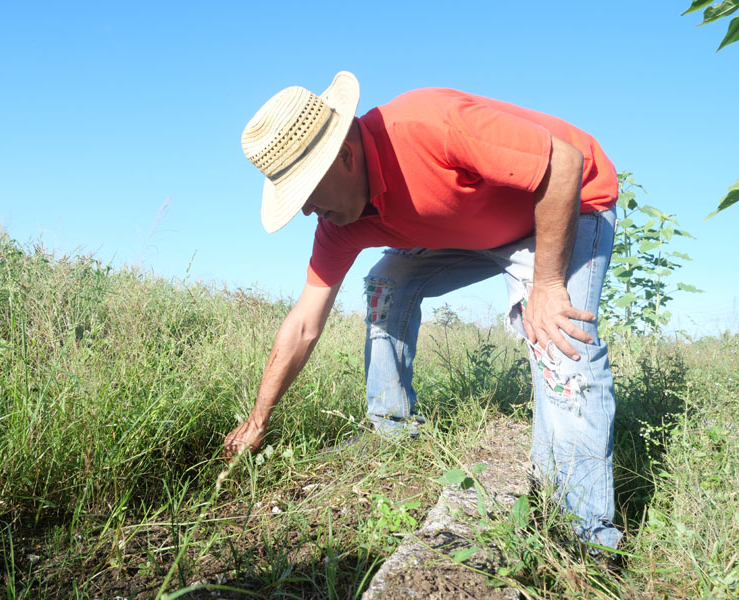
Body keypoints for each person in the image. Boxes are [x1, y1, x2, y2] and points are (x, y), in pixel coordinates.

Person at [225, 71, 621, 549]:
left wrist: (549, 285)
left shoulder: (426, 126)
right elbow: (305, 323)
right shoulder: (340, 221)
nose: (306, 210)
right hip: (473, 230)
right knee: (385, 283)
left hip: (565, 202)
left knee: (556, 333)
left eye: (305, 192)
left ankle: (584, 536)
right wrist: (258, 419)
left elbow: (564, 162)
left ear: (344, 156)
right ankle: (391, 429)